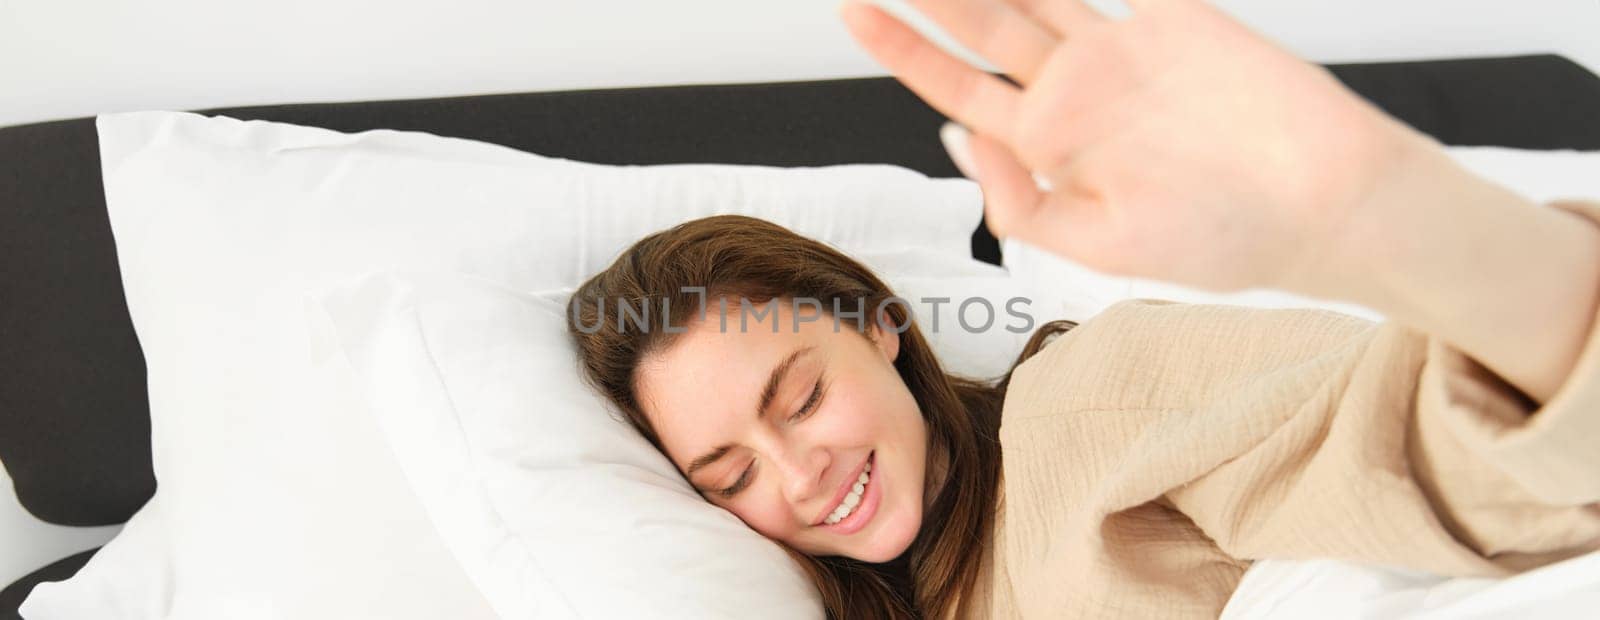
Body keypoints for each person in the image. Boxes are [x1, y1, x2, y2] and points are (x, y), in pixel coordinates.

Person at [566, 0, 1600, 617]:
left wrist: (1388, 215)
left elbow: (1424, 456)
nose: (797, 475)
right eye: (733, 471)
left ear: (877, 322)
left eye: (798, 399)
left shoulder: (1086, 410)